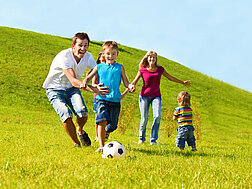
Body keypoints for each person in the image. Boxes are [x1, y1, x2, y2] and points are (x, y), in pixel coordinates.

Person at [43, 32, 109, 148]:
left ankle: (80, 130)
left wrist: (105, 82)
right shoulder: (64, 56)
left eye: (86, 45)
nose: (83, 49)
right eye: (80, 45)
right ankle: (77, 143)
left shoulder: (88, 57)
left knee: (83, 113)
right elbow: (73, 80)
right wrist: (94, 89)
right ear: (73, 46)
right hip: (55, 89)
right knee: (66, 114)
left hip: (72, 89)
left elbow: (98, 70)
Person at [122, 50, 190, 145]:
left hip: (156, 96)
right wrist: (123, 94)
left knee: (157, 116)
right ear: (147, 58)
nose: (152, 59)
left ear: (156, 59)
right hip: (144, 96)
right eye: (150, 57)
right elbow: (133, 83)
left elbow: (170, 77)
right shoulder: (142, 70)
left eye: (154, 57)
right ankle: (141, 139)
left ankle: (153, 140)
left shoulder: (160, 69)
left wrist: (182, 82)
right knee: (144, 119)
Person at [82, 41, 135, 152]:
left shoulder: (119, 67)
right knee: (102, 120)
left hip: (115, 100)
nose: (110, 56)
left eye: (113, 54)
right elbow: (88, 77)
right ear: (103, 54)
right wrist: (84, 82)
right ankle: (101, 146)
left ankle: (106, 132)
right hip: (102, 99)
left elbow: (125, 82)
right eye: (108, 54)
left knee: (112, 126)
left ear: (117, 55)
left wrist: (130, 86)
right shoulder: (99, 67)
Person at [87, 52, 105, 142]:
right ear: (99, 59)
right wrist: (97, 87)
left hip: (107, 95)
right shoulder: (97, 69)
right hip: (97, 95)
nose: (103, 58)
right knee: (98, 116)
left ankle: (103, 134)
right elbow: (93, 83)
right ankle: (97, 136)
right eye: (102, 57)